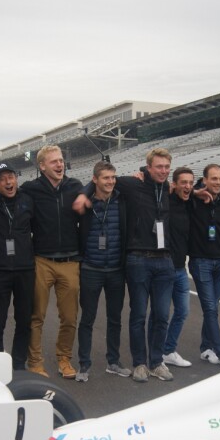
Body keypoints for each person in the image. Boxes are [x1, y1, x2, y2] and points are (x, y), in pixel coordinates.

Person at [73, 148, 176, 382]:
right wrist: (83, 194)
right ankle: (120, 363)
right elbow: (100, 180)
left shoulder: (161, 190)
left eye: (166, 167)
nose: (163, 171)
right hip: (120, 262)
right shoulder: (130, 185)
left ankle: (146, 362)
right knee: (127, 315)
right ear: (148, 168)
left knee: (155, 315)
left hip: (145, 263)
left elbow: (189, 188)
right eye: (158, 166)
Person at [0, 145, 82, 379]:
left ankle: (64, 359)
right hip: (40, 260)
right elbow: (5, 193)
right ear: (42, 166)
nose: (59, 165)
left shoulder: (75, 186)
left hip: (70, 260)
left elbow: (97, 188)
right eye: (54, 162)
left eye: (60, 160)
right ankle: (34, 361)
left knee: (69, 317)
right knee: (35, 316)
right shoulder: (31, 190)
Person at [75, 161, 131, 382]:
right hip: (91, 268)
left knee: (115, 318)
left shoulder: (122, 198)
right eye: (106, 178)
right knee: (87, 318)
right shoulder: (85, 202)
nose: (111, 181)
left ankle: (113, 362)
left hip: (116, 269)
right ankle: (84, 365)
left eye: (113, 177)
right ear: (95, 179)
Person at [186, 164, 220, 370]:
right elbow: (175, 190)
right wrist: (194, 192)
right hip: (201, 261)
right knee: (209, 308)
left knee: (213, 308)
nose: (217, 182)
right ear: (204, 180)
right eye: (213, 179)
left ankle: (205, 347)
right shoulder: (194, 199)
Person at [0, 164, 35, 370]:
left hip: (25, 269)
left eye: (11, 177)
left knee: (24, 320)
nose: (8, 182)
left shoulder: (28, 200)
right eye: (3, 179)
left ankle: (19, 363)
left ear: (16, 178)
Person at [161, 167, 193, 368]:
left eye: (191, 182)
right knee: (161, 315)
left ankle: (168, 351)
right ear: (174, 184)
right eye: (184, 182)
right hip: (164, 267)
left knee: (182, 311)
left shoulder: (191, 203)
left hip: (182, 269)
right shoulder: (165, 201)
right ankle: (156, 355)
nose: (188, 186)